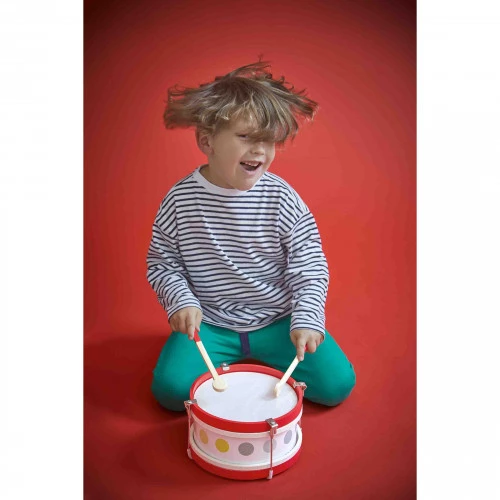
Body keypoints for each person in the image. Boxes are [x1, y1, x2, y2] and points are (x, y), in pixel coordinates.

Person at [147, 60, 356, 411]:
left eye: (269, 140)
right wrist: (181, 301)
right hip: (211, 324)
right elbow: (163, 263)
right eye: (245, 137)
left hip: (279, 322)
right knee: (170, 391)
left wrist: (306, 317)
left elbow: (309, 264)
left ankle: (279, 344)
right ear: (207, 140)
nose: (260, 150)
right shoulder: (179, 200)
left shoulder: (282, 198)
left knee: (337, 386)